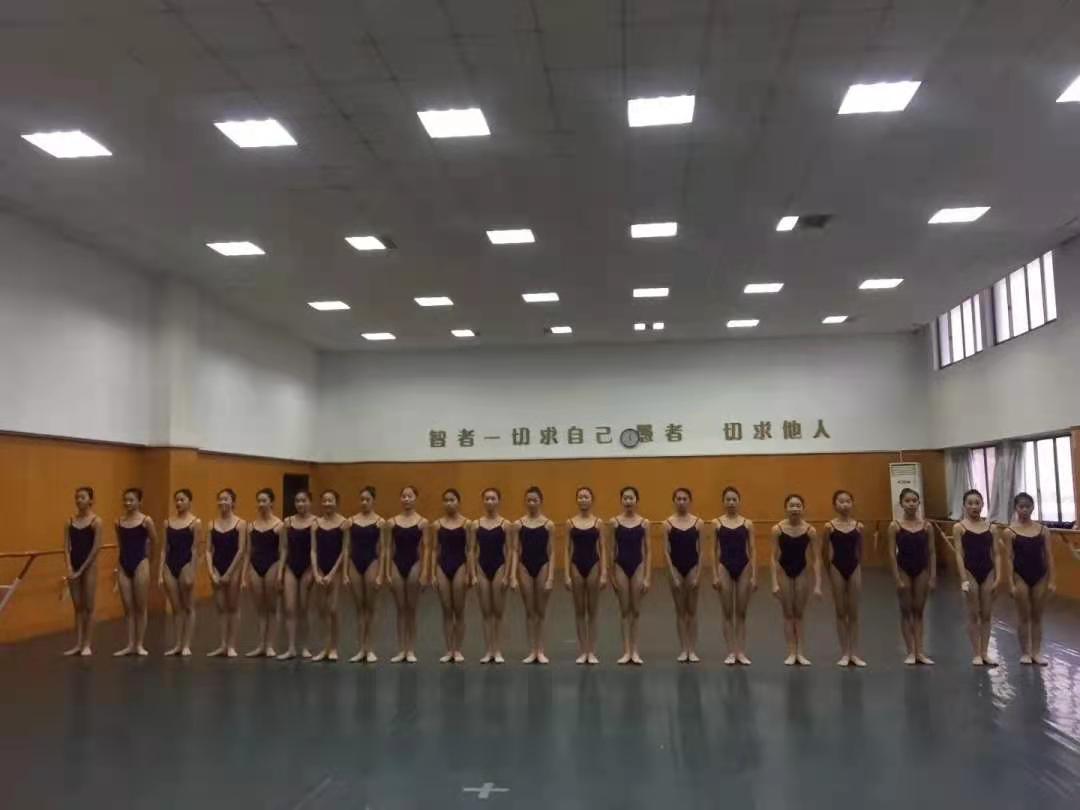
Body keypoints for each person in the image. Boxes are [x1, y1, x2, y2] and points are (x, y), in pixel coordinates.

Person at [1003, 492, 1056, 665]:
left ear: (1033, 508)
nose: (1024, 510)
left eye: (1027, 506)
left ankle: (1036, 652)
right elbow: (1009, 558)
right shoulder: (1009, 532)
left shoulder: (1043, 530)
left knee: (1037, 616)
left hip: (1040, 575)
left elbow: (1048, 555)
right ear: (1016, 508)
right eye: (1021, 507)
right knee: (1023, 616)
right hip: (1020, 576)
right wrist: (1010, 583)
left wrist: (1052, 580)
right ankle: (1025, 652)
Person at [952, 489, 1002, 666]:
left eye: (977, 503)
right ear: (964, 506)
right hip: (970, 572)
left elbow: (997, 554)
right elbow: (959, 554)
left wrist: (998, 577)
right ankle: (976, 653)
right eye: (970, 503)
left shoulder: (991, 528)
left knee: (986, 614)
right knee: (973, 613)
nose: (974, 506)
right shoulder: (959, 527)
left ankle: (985, 652)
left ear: (982, 505)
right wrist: (963, 578)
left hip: (987, 572)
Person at [770, 494, 821, 665]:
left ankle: (801, 652)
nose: (795, 508)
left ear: (803, 508)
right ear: (786, 508)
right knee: (788, 614)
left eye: (798, 505)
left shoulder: (810, 531)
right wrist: (774, 582)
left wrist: (818, 584)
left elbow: (816, 559)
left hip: (802, 571)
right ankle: (791, 652)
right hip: (784, 571)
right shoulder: (777, 529)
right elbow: (773, 557)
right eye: (792, 505)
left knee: (799, 614)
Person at [887, 487, 935, 665]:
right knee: (906, 611)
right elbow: (891, 553)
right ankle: (910, 651)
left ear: (919, 503)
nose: (911, 504)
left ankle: (920, 651)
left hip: (921, 569)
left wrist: (933, 576)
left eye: (914, 500)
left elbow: (932, 552)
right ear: (901, 503)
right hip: (903, 569)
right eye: (907, 501)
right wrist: (896, 577)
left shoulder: (927, 526)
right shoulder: (895, 526)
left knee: (919, 610)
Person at [712, 486, 756, 665]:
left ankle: (741, 652)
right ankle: (731, 651)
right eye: (728, 500)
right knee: (727, 612)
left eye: (734, 499)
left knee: (741, 612)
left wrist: (754, 575)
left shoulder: (747, 523)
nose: (731, 503)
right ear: (723, 502)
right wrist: (715, 574)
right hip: (724, 566)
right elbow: (713, 550)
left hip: (743, 566)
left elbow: (752, 549)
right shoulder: (716, 523)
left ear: (739, 501)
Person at [823, 490, 866, 667]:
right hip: (836, 567)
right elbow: (824, 552)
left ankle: (854, 653)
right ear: (835, 505)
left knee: (853, 613)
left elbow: (860, 551)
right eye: (841, 501)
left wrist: (858, 566)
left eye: (848, 501)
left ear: (852, 503)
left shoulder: (858, 527)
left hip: (854, 567)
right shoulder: (829, 527)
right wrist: (829, 570)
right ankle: (844, 652)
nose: (845, 504)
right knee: (841, 612)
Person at [473, 487, 515, 664]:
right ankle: (488, 650)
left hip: (499, 567)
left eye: (493, 499)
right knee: (486, 612)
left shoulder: (506, 524)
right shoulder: (475, 524)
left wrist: (508, 575)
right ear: (483, 501)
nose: (490, 502)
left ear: (498, 501)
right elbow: (471, 550)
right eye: (487, 499)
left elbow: (510, 550)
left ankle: (497, 650)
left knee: (498, 611)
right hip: (482, 568)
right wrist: (473, 573)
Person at [566, 486, 607, 665]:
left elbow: (603, 548)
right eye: (580, 497)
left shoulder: (598, 523)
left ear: (592, 500)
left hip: (593, 565)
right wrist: (566, 574)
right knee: (579, 610)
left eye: (586, 497)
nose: (583, 499)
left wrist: (604, 572)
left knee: (593, 610)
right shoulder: (570, 523)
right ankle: (583, 650)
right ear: (577, 500)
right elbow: (567, 549)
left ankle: (592, 650)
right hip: (576, 565)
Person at [514, 486, 555, 664]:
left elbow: (551, 552)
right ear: (525, 502)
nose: (531, 503)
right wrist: (513, 575)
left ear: (541, 502)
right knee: (529, 611)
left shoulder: (548, 525)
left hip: (542, 565)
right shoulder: (519, 524)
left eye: (535, 500)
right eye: (529, 500)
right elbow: (515, 550)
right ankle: (532, 650)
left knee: (541, 611)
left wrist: (551, 577)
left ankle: (541, 650)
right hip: (524, 566)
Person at [114, 488, 156, 656]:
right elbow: (120, 544)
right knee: (128, 607)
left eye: (131, 500)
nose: (127, 503)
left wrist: (148, 561)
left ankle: (139, 644)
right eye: (125, 500)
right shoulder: (118, 522)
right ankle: (130, 644)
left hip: (141, 562)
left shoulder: (146, 521)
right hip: (124, 563)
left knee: (140, 606)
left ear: (139, 501)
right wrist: (119, 565)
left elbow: (154, 541)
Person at [610, 486, 650, 665]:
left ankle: (635, 650)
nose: (628, 501)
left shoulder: (644, 523)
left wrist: (647, 576)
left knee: (636, 610)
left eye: (631, 498)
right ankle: (626, 651)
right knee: (624, 610)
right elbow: (612, 550)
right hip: (621, 566)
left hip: (638, 565)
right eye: (625, 498)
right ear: (621, 500)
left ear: (637, 500)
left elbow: (648, 551)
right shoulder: (614, 522)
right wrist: (611, 574)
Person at [344, 486, 384, 663]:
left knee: (371, 607)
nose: (364, 502)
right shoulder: (351, 521)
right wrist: (345, 572)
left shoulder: (380, 522)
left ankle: (371, 648)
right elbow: (347, 548)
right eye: (362, 499)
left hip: (372, 562)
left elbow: (383, 550)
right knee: (359, 608)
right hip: (355, 563)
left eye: (367, 499)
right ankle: (361, 648)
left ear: (373, 501)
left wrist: (381, 573)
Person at [159, 488, 201, 657]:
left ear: (189, 501)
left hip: (186, 564)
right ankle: (177, 644)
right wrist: (160, 572)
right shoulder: (167, 522)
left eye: (182, 499)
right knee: (176, 607)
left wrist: (193, 571)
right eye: (176, 500)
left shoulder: (195, 522)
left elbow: (195, 549)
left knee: (188, 606)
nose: (178, 502)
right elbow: (164, 549)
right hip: (170, 565)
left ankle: (187, 644)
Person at [388, 485, 428, 663]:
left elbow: (426, 549)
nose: (406, 499)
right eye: (403, 496)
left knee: (411, 608)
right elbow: (388, 549)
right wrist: (387, 571)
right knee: (400, 609)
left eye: (409, 496)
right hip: (396, 564)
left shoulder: (422, 522)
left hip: (415, 564)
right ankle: (401, 649)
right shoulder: (392, 522)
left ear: (415, 498)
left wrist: (425, 572)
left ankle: (410, 649)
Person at [663, 487, 703, 663]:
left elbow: (701, 551)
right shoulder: (667, 524)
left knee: (692, 610)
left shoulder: (698, 523)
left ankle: (692, 649)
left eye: (684, 498)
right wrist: (672, 573)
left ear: (689, 501)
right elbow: (666, 551)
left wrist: (698, 574)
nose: (681, 501)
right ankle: (683, 648)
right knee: (680, 611)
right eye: (678, 499)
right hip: (676, 568)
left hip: (692, 566)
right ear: (674, 501)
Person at [206, 489, 246, 658]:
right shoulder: (211, 524)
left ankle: (231, 645)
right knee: (221, 607)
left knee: (233, 606)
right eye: (220, 499)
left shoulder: (240, 524)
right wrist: (211, 572)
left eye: (226, 499)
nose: (222, 502)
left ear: (233, 502)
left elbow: (241, 550)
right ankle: (222, 644)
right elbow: (208, 550)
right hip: (217, 567)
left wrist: (229, 573)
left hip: (233, 568)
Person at [432, 488, 470, 663]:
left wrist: (470, 572)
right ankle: (449, 650)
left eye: (452, 500)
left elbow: (470, 550)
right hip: (442, 566)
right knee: (446, 609)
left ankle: (458, 649)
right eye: (446, 500)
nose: (448, 503)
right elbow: (434, 550)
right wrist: (432, 572)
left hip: (460, 565)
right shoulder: (437, 525)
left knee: (458, 609)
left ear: (458, 502)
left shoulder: (467, 524)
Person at [63, 486, 102, 656]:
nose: (79, 500)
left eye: (82, 497)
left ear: (91, 500)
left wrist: (82, 569)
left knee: (88, 606)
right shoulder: (70, 521)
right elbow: (66, 547)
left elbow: (96, 547)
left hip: (89, 566)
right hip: (74, 565)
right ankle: (78, 644)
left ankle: (87, 644)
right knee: (77, 606)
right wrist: (69, 566)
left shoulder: (96, 521)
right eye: (77, 497)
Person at [310, 490, 348, 662]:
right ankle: (324, 647)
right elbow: (313, 550)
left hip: (335, 571)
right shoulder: (316, 524)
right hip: (320, 569)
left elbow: (344, 550)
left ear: (336, 502)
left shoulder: (344, 523)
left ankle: (334, 648)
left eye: (330, 500)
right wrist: (316, 572)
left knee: (333, 609)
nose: (327, 504)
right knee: (322, 610)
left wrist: (332, 573)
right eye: (324, 500)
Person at [278, 490, 316, 660]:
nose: (300, 504)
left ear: (310, 502)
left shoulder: (316, 522)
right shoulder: (288, 522)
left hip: (308, 567)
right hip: (291, 568)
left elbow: (316, 549)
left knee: (304, 608)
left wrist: (314, 570)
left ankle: (305, 647)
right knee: (289, 608)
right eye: (297, 501)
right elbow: (284, 548)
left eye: (304, 500)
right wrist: (280, 571)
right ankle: (291, 647)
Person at [245, 488, 283, 658]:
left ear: (271, 502)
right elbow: (248, 551)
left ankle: (270, 645)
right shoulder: (251, 526)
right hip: (255, 565)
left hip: (272, 564)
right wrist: (246, 572)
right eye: (258, 501)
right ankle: (261, 644)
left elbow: (283, 551)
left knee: (271, 606)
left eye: (264, 501)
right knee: (260, 608)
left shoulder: (279, 525)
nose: (260, 504)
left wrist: (280, 572)